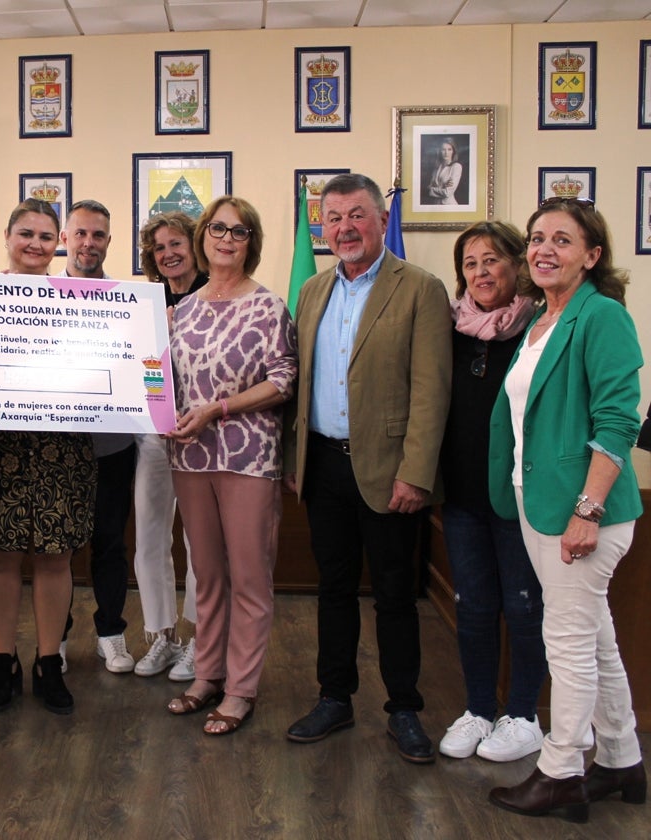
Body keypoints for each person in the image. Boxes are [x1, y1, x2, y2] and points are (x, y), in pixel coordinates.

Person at [284, 172, 452, 764]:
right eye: (333, 219)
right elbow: (297, 385)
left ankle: (404, 708)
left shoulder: (421, 289)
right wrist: (294, 460)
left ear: (381, 220)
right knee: (332, 589)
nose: (344, 227)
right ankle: (335, 697)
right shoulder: (311, 291)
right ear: (321, 228)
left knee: (395, 594)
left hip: (390, 469)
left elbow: (432, 393)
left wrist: (417, 473)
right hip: (324, 464)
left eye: (357, 215)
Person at [487, 198, 645, 823]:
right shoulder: (541, 321)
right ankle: (622, 758)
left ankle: (560, 773)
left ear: (592, 255)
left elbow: (618, 421)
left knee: (569, 641)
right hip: (541, 504)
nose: (544, 249)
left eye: (561, 239)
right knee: (595, 635)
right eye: (536, 238)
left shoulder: (601, 317)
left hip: (585, 513)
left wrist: (589, 509)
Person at [164, 197, 297, 735]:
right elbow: (159, 377)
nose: (226, 238)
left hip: (248, 456)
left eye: (239, 232)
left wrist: (218, 409)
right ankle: (208, 673)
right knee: (207, 573)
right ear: (203, 237)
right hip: (189, 456)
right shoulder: (182, 311)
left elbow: (284, 378)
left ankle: (241, 689)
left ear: (251, 244)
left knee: (248, 577)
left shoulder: (268, 307)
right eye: (217, 228)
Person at [0, 198, 96, 714]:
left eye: (45, 236)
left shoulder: (82, 302)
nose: (36, 244)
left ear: (58, 242)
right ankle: (3, 663)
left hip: (60, 444)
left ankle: (49, 664)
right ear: (7, 235)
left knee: (55, 556)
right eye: (26, 234)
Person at [437, 221, 547, 762]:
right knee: (474, 606)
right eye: (470, 263)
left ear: (517, 265)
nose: (480, 272)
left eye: (492, 260)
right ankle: (480, 709)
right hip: (462, 497)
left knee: (525, 608)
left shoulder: (541, 328)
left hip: (523, 499)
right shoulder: (451, 330)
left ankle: (524, 715)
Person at [58, 199, 139, 675]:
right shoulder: (33, 294)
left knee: (109, 543)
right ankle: (58, 637)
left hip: (113, 444)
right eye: (81, 234)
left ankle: (111, 633)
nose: (90, 243)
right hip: (57, 446)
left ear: (110, 242)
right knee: (59, 547)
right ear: (65, 238)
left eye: (99, 236)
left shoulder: (128, 300)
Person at [130, 211, 208, 680]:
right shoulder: (143, 303)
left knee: (199, 541)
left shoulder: (216, 295)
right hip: (153, 432)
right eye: (159, 248)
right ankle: (161, 635)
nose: (168, 253)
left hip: (203, 433)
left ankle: (200, 639)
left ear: (194, 245)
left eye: (176, 243)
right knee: (149, 535)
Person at [427, 137, 463, 205]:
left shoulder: (456, 167)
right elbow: (429, 186)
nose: (446, 153)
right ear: (439, 151)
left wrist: (431, 190)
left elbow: (447, 193)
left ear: (453, 151)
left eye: (449, 149)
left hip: (449, 205)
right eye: (443, 149)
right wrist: (442, 187)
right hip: (435, 205)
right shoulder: (437, 167)